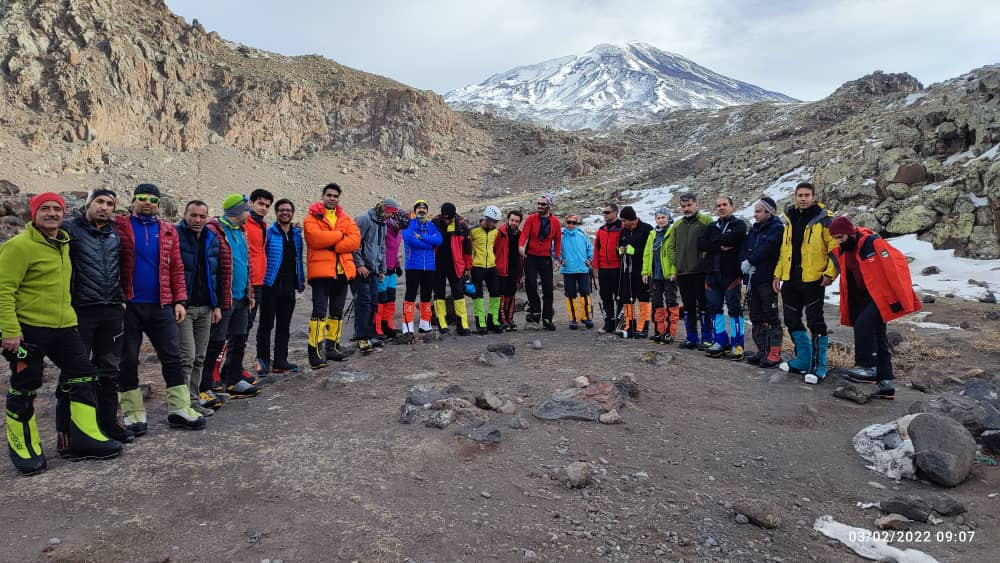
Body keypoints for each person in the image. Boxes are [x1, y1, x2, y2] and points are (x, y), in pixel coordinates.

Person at [1, 193, 123, 474]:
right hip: (28, 330)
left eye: (58, 209)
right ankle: (25, 448)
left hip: (65, 327)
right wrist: (9, 331)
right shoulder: (18, 246)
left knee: (83, 375)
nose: (52, 213)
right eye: (45, 208)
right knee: (25, 387)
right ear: (34, 213)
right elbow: (3, 291)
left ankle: (85, 439)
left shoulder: (63, 243)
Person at [115, 184, 205, 432]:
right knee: (128, 359)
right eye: (142, 198)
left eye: (153, 199)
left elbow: (176, 267)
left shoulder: (166, 230)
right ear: (133, 200)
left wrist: (180, 300)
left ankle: (179, 409)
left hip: (161, 304)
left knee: (172, 356)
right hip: (128, 306)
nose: (148, 203)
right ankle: (133, 414)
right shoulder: (119, 226)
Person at [62, 189, 135, 443]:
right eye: (100, 202)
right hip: (81, 310)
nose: (104, 207)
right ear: (89, 203)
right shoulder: (70, 229)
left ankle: (108, 424)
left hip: (112, 309)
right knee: (74, 371)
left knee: (109, 371)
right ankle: (68, 432)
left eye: (109, 204)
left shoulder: (115, 232)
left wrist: (122, 298)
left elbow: (125, 266)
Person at [829, 216, 921, 399]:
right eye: (836, 238)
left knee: (863, 325)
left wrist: (898, 296)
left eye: (841, 237)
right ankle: (886, 383)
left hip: (881, 296)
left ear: (850, 233)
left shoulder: (872, 242)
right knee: (878, 335)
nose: (838, 241)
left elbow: (895, 265)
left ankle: (867, 367)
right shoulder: (844, 250)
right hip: (863, 298)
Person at [773, 182, 839, 384]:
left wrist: (830, 273)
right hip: (791, 278)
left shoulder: (825, 219)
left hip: (814, 279)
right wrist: (777, 275)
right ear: (795, 196)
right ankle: (803, 360)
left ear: (813, 196)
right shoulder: (789, 218)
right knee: (791, 318)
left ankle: (820, 366)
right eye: (800, 195)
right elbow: (784, 251)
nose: (803, 198)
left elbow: (835, 248)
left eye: (807, 195)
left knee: (815, 321)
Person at [203, 194, 259, 398]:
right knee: (216, 341)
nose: (248, 213)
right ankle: (206, 384)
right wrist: (214, 300)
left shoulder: (240, 232)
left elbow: (246, 264)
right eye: (246, 209)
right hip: (224, 297)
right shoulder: (214, 230)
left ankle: (234, 379)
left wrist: (250, 291)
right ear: (236, 211)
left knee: (240, 337)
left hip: (241, 297)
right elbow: (211, 267)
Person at [175, 200, 226, 416]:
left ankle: (193, 402)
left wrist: (216, 305)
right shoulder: (175, 236)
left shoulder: (211, 238)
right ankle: (181, 404)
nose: (197, 220)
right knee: (186, 357)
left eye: (202, 216)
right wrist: (176, 301)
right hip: (184, 308)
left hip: (205, 307)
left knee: (199, 357)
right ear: (185, 214)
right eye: (193, 215)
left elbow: (216, 274)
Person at [303, 183, 361, 367]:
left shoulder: (346, 219)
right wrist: (340, 235)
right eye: (329, 195)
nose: (332, 198)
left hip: (342, 272)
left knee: (336, 312)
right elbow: (315, 238)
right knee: (319, 312)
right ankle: (315, 352)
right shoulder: (311, 218)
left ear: (338, 199)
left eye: (335, 196)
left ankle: (333, 348)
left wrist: (332, 245)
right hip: (321, 274)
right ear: (323, 196)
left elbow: (355, 241)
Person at [256, 198, 305, 374]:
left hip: (290, 285)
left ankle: (280, 361)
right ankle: (262, 361)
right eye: (282, 210)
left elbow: (299, 259)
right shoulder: (269, 233)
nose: (285, 213)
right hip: (271, 284)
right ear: (276, 213)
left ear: (292, 213)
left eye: (288, 210)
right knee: (266, 324)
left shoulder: (296, 235)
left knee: (284, 324)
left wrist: (301, 279)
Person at [699, 197, 748, 359]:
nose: (721, 208)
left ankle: (737, 344)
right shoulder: (712, 226)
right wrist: (720, 245)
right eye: (718, 205)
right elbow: (701, 244)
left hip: (731, 273)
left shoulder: (739, 225)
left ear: (732, 207)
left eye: (724, 205)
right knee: (714, 307)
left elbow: (737, 237)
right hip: (712, 273)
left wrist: (713, 244)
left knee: (734, 308)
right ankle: (720, 341)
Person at [740, 197, 785, 368]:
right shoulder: (754, 230)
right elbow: (745, 248)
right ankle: (761, 349)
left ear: (769, 212)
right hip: (753, 279)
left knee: (771, 315)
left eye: (759, 211)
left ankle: (774, 352)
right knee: (756, 315)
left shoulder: (777, 228)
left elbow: (767, 248)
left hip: (767, 278)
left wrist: (750, 261)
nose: (755, 214)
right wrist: (744, 263)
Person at [670, 192, 713, 350]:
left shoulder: (706, 221)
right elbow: (671, 247)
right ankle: (691, 338)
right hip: (683, 272)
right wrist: (677, 262)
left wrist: (702, 260)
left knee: (704, 305)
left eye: (689, 205)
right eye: (683, 206)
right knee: (688, 306)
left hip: (700, 272)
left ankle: (707, 338)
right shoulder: (677, 224)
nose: (686, 209)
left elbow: (711, 244)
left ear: (696, 204)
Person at [519, 193, 562, 330]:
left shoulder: (555, 222)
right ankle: (535, 311)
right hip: (531, 256)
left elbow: (558, 241)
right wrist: (521, 246)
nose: (540, 206)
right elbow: (524, 234)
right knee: (530, 284)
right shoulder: (531, 219)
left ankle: (547, 318)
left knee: (548, 289)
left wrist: (557, 258)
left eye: (543, 204)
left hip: (545, 258)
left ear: (549, 205)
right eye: (538, 204)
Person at [400, 200, 443, 340]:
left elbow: (439, 241)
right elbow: (411, 240)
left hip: (429, 267)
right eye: (419, 207)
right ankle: (407, 326)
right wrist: (429, 244)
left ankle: (425, 324)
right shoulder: (409, 224)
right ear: (415, 210)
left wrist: (423, 237)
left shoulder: (431, 226)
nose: (422, 210)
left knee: (426, 295)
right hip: (413, 266)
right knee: (410, 295)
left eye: (424, 208)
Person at [352, 199, 389, 354]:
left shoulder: (383, 223)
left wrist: (382, 269)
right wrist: (359, 264)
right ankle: (361, 337)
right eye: (390, 212)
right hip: (360, 269)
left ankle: (371, 334)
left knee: (374, 302)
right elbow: (354, 243)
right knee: (363, 303)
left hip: (373, 269)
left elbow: (381, 247)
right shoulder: (363, 219)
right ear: (383, 208)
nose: (390, 216)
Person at [432, 203, 473, 335]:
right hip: (437, 264)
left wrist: (468, 266)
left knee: (458, 291)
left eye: (448, 218)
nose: (446, 220)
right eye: (444, 218)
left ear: (453, 215)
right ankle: (441, 322)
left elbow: (467, 249)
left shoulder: (461, 225)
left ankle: (463, 323)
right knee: (439, 292)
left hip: (455, 264)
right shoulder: (435, 222)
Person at [642, 207, 680, 344]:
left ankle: (670, 332)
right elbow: (647, 254)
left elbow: (676, 252)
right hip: (655, 275)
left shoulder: (673, 231)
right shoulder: (652, 234)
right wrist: (645, 272)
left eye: (663, 217)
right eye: (658, 218)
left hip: (669, 275)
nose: (661, 220)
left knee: (671, 302)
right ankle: (659, 331)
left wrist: (674, 271)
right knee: (657, 303)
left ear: (668, 218)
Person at [245, 189, 272, 374]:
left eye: (267, 206)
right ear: (251, 202)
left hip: (259, 281)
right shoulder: (244, 222)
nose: (264, 208)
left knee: (246, 326)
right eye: (261, 204)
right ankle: (224, 370)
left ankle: (233, 368)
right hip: (247, 282)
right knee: (239, 327)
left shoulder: (261, 224)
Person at [617, 206, 654, 338]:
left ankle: (642, 328)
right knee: (627, 300)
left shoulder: (647, 229)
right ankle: (628, 326)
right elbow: (620, 245)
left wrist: (634, 251)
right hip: (627, 272)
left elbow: (649, 251)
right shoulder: (624, 231)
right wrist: (620, 250)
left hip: (642, 271)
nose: (623, 223)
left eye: (624, 220)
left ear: (632, 219)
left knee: (644, 299)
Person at [469, 206, 504, 334]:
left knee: (495, 292)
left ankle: (493, 321)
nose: (495, 224)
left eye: (496, 222)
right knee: (478, 295)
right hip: (477, 266)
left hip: (491, 266)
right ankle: (480, 322)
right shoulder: (473, 231)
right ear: (487, 219)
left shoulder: (495, 232)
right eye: (494, 221)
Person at [375, 199, 406, 340]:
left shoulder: (398, 231)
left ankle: (388, 325)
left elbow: (394, 250)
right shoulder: (384, 227)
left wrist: (398, 265)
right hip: (382, 269)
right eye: (401, 225)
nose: (402, 228)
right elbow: (379, 248)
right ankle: (377, 327)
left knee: (391, 298)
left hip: (392, 268)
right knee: (381, 299)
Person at [559, 213, 594, 330]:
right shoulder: (561, 236)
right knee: (571, 294)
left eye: (574, 222)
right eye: (569, 222)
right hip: (568, 270)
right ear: (565, 222)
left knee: (585, 292)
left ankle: (586, 317)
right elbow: (554, 250)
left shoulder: (582, 234)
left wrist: (590, 259)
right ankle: (573, 319)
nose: (571, 225)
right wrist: (560, 260)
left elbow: (590, 248)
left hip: (583, 269)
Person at [594, 203, 623, 334]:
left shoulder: (622, 228)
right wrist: (596, 267)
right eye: (603, 213)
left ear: (615, 212)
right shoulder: (601, 230)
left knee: (620, 297)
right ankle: (608, 324)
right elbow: (596, 249)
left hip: (618, 268)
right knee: (606, 297)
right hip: (604, 268)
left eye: (607, 212)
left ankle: (621, 324)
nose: (604, 215)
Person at [495, 210, 523, 331]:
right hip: (501, 268)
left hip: (515, 268)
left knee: (511, 295)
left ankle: (509, 319)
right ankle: (501, 319)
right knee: (501, 295)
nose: (514, 223)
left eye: (517, 221)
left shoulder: (521, 235)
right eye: (512, 220)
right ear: (508, 219)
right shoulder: (500, 232)